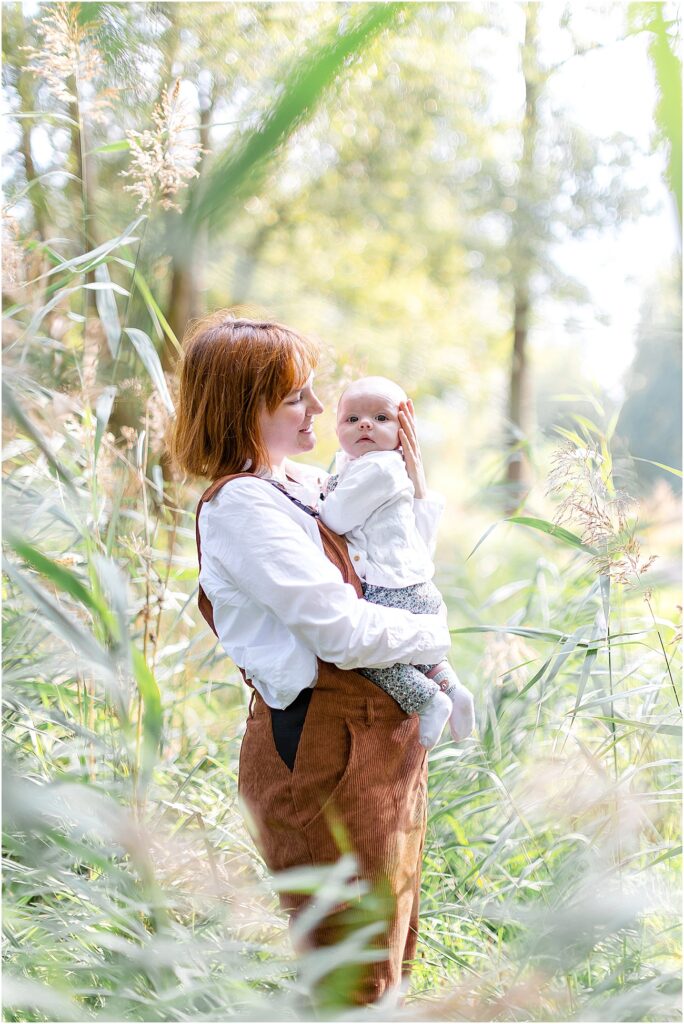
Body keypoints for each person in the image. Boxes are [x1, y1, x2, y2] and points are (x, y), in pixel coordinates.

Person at [171, 312, 453, 1007]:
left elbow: (396, 566)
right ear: (246, 407)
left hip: (381, 738)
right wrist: (436, 638)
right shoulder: (241, 507)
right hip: (323, 747)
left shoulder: (303, 484)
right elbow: (342, 631)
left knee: (386, 964)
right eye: (297, 396)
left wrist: (409, 479)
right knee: (350, 981)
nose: (322, 411)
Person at [319, 376, 475, 749]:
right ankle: (453, 690)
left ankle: (428, 700)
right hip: (415, 587)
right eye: (352, 419)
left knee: (367, 653)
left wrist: (321, 498)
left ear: (404, 433)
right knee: (414, 656)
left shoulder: (379, 468)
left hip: (389, 589)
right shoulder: (368, 466)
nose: (365, 425)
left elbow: (336, 518)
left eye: (381, 418)